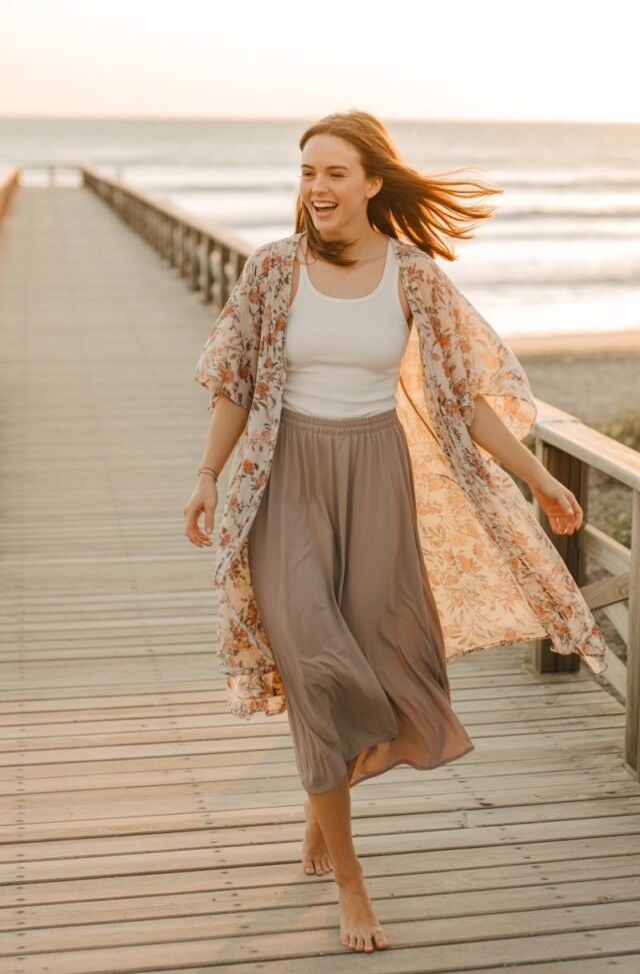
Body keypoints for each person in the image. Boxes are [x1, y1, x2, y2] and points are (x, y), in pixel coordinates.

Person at [183, 109, 592, 954]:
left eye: (335, 173)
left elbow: (461, 398)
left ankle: (319, 804)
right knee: (318, 667)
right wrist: (205, 476)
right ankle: (353, 882)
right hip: (285, 478)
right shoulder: (270, 271)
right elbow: (236, 378)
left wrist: (540, 475)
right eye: (307, 174)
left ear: (373, 181)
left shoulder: (414, 277)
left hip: (376, 480)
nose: (318, 188)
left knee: (382, 661)